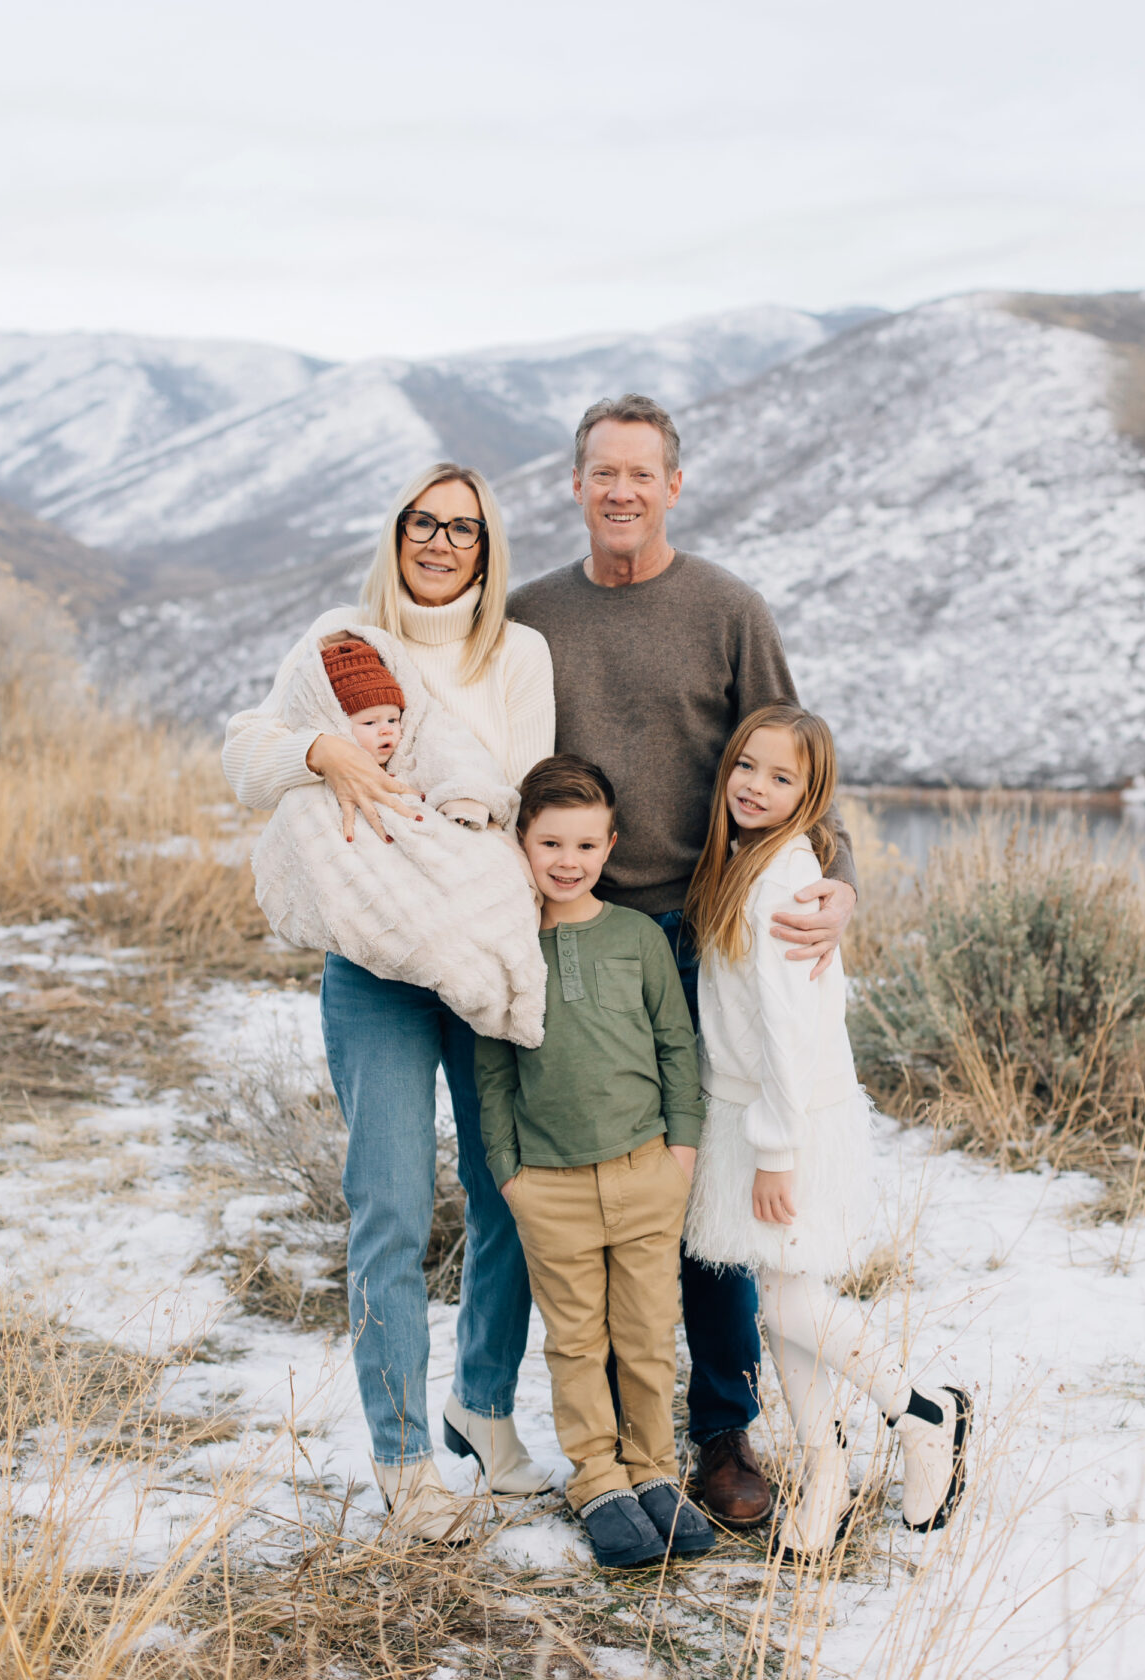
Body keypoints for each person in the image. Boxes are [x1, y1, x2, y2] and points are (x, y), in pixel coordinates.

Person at [507, 394, 859, 1528]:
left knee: (708, 1197)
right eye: (602, 473)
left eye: (641, 474)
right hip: (574, 937)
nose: (621, 491)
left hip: (694, 933)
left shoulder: (726, 610)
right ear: (575, 485)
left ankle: (721, 1435)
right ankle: (613, 1448)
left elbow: (792, 754)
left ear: (672, 485)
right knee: (577, 1185)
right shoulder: (527, 619)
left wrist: (837, 878)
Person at [222, 464, 555, 1542]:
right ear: (398, 532)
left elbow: (534, 787)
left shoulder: (520, 653)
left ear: (487, 544)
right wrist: (318, 748)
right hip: (374, 957)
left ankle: (486, 1409)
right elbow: (245, 752)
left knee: (511, 1192)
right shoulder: (341, 641)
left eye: (464, 527)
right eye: (425, 523)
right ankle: (407, 1459)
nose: (443, 541)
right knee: (392, 1204)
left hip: (473, 941)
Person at [683, 704, 971, 1559]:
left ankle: (923, 1414)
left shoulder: (780, 878)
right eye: (748, 767)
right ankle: (828, 1474)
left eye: (783, 778)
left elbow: (788, 1032)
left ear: (812, 796)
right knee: (780, 1304)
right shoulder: (744, 858)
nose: (757, 787)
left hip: (784, 1115)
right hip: (752, 1107)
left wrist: (773, 1152)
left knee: (794, 1298)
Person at [475, 756, 715, 1568]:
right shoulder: (507, 947)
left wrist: (681, 1148)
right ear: (523, 843)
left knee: (647, 1335)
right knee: (577, 1342)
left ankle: (651, 1472)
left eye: (585, 843)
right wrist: (511, 1173)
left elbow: (676, 1045)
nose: (568, 861)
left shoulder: (637, 938)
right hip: (550, 1187)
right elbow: (493, 1069)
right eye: (550, 843)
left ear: (610, 846)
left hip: (646, 1171)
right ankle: (598, 1481)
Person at [249, 630, 546, 1046]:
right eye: (369, 723)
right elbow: (308, 858)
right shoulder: (313, 790)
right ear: (335, 724)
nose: (387, 731)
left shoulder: (415, 757)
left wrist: (465, 807)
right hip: (376, 965)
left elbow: (461, 766)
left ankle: (488, 981)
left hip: (452, 912)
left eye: (392, 719)